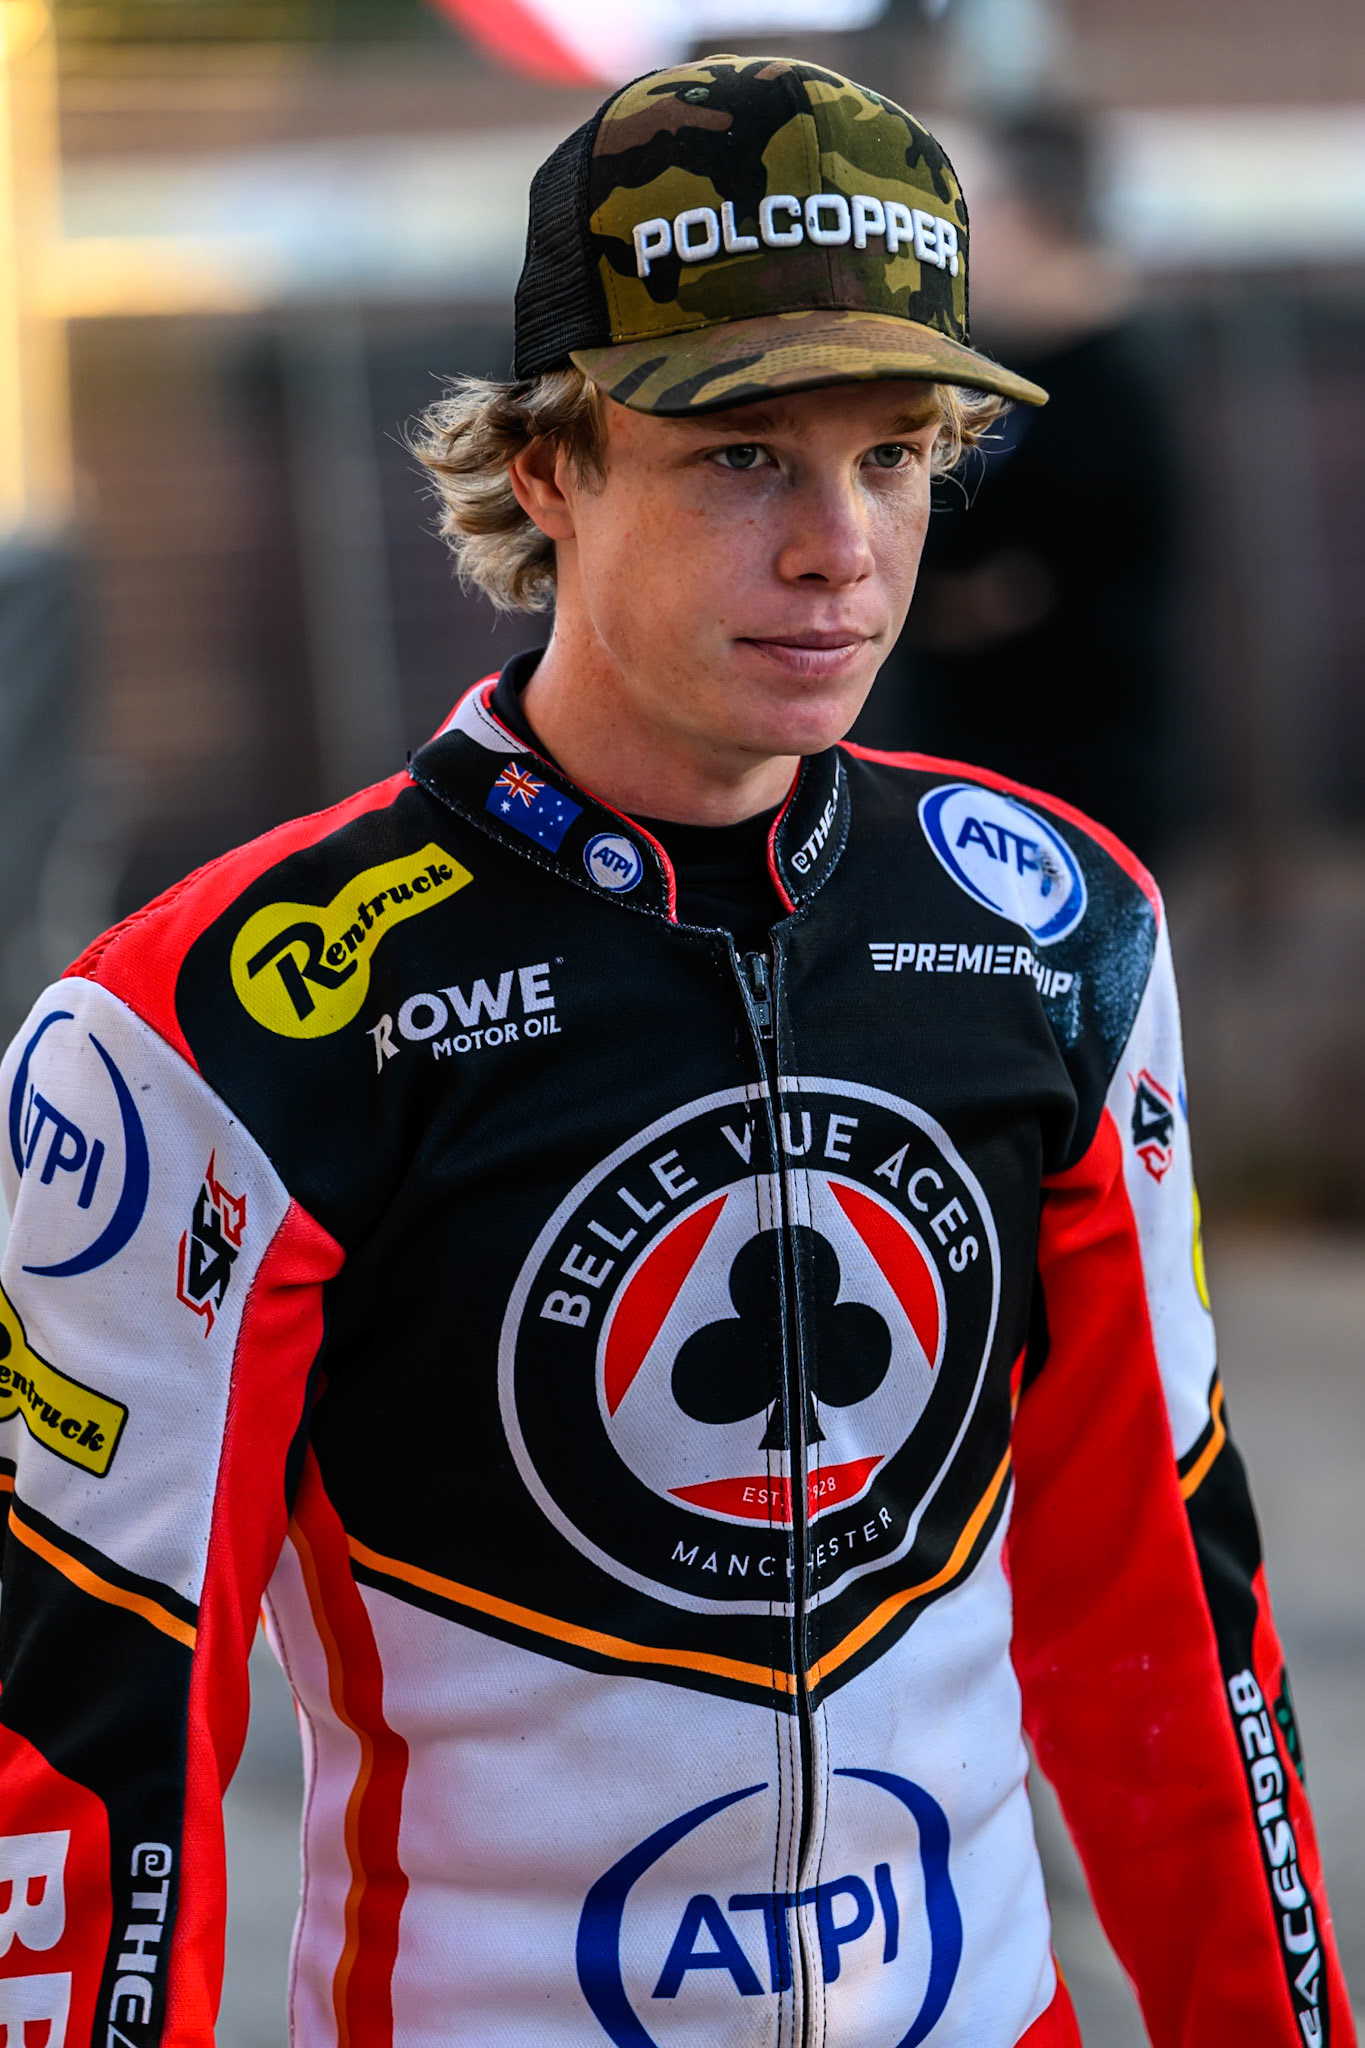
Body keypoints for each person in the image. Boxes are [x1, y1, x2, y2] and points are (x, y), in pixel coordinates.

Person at [0, 53, 1350, 2048]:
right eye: (741, 456)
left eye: (894, 455)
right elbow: (91, 1748)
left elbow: (1167, 1615)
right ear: (547, 466)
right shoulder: (203, 1027)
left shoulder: (1057, 929)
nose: (839, 548)